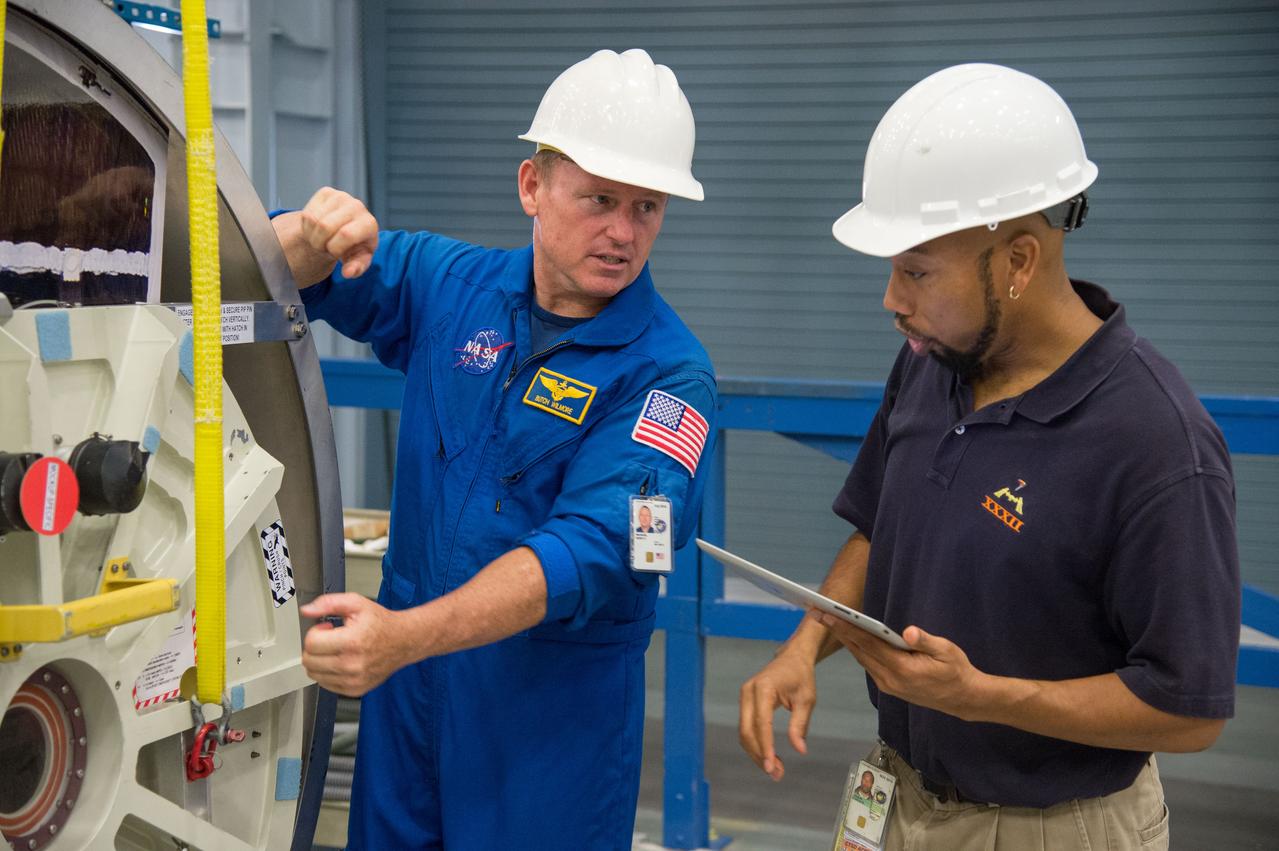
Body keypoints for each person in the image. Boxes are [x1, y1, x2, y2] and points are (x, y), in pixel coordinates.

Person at [739, 63, 1239, 851]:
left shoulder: (1154, 441)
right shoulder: (931, 361)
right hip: (897, 797)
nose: (890, 299)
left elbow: (1191, 709)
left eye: (915, 270)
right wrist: (803, 647)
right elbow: (875, 529)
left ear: (1016, 262)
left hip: (1051, 828)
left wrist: (984, 697)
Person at [274, 49, 717, 850]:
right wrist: (312, 233)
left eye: (647, 207)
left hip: (547, 728)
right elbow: (281, 274)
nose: (622, 232)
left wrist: (402, 637)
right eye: (599, 199)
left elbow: (600, 546)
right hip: (410, 702)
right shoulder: (455, 287)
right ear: (531, 187)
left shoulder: (668, 376)